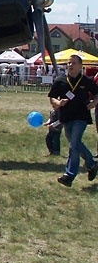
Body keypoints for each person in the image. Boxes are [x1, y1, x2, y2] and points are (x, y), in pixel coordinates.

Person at [48, 54, 98, 187]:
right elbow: (52, 97)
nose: (70, 65)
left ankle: (69, 176)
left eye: (74, 63)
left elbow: (97, 93)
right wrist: (58, 102)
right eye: (69, 63)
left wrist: (94, 102)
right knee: (75, 145)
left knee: (74, 143)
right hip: (66, 117)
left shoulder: (87, 81)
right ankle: (92, 164)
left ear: (81, 66)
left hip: (81, 117)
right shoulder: (60, 81)